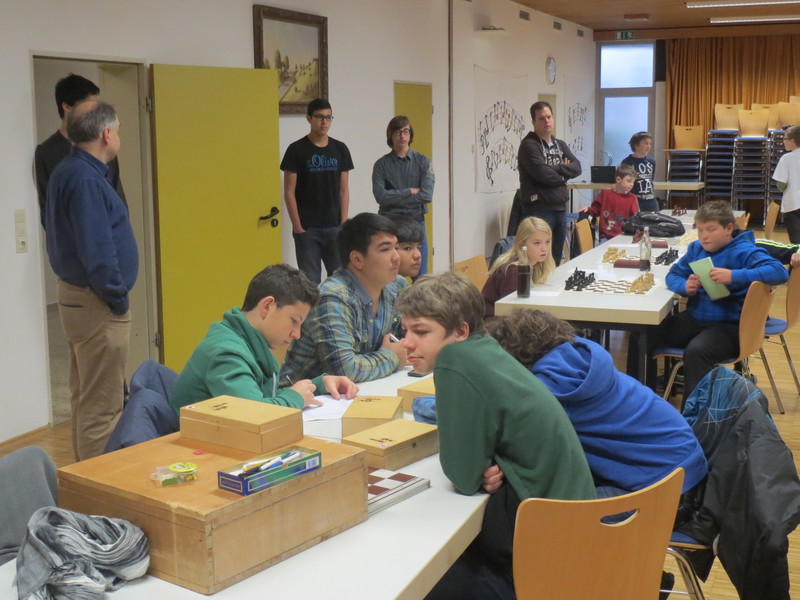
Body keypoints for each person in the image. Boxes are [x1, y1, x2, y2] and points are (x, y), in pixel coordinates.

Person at [396, 271, 594, 600]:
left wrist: (479, 467)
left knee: (422, 576)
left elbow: (463, 475)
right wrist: (486, 463)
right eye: (405, 330)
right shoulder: (486, 348)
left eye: (421, 331)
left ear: (460, 332)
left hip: (541, 551)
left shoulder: (454, 360)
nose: (407, 342)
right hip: (574, 532)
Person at [486, 309, 707, 497]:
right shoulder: (579, 356)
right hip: (687, 466)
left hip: (665, 490)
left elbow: (520, 450)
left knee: (542, 512)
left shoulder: (548, 391)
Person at [45, 100, 138, 461]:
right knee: (103, 407)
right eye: (119, 130)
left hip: (80, 297)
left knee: (88, 399)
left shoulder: (70, 170)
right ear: (106, 134)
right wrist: (117, 299)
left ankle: (82, 480)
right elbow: (97, 250)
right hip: (97, 302)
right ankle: (97, 490)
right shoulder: (85, 178)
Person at [170, 264, 358, 414]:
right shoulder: (226, 353)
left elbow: (264, 397)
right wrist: (295, 398)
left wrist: (317, 385)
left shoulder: (247, 341)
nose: (297, 334)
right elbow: (253, 414)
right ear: (267, 306)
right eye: (294, 321)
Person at [650, 200, 788, 399]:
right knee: (645, 335)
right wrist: (684, 286)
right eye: (700, 230)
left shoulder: (745, 250)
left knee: (697, 351)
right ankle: (643, 398)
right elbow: (673, 274)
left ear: (728, 229)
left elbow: (779, 272)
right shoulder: (696, 249)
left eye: (711, 229)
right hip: (695, 319)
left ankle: (696, 414)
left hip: (731, 326)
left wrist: (734, 276)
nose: (704, 236)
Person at [280, 213, 409, 384]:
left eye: (396, 247)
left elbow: (410, 343)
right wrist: (392, 356)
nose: (396, 257)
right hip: (310, 397)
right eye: (385, 249)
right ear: (357, 259)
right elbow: (344, 371)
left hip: (371, 388)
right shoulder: (332, 297)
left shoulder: (397, 286)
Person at [34, 73, 125, 230]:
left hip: (110, 234)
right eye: (89, 105)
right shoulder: (47, 153)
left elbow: (118, 197)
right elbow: (48, 211)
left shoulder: (105, 145)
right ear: (67, 107)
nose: (95, 113)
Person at [280, 98, 354, 284]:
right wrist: (298, 226)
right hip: (307, 229)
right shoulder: (296, 150)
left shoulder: (340, 149)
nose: (324, 122)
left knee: (340, 280)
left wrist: (343, 223)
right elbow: (289, 192)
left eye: (328, 117)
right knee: (310, 283)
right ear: (309, 118)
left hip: (334, 227)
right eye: (320, 117)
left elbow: (344, 190)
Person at [517, 100, 582, 266]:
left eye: (549, 117)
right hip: (539, 209)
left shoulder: (560, 144)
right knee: (538, 260)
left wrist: (556, 169)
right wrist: (564, 174)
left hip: (560, 208)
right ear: (533, 122)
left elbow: (577, 167)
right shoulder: (529, 145)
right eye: (541, 118)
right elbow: (543, 174)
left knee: (555, 258)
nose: (546, 121)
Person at [372, 115, 435, 278]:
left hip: (416, 222)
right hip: (390, 224)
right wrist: (408, 192)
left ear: (410, 135)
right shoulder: (381, 165)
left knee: (420, 275)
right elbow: (380, 196)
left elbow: (426, 195)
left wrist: (394, 197)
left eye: (405, 131)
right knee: (388, 273)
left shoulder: (423, 162)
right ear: (390, 135)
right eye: (397, 132)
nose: (402, 136)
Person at [481, 217, 555, 317]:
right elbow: (512, 312)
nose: (544, 248)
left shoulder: (535, 264)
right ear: (522, 245)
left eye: (547, 242)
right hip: (494, 321)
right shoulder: (514, 271)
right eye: (537, 243)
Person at [579, 163, 639, 240]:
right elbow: (596, 209)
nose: (631, 184)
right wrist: (588, 209)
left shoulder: (632, 198)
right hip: (606, 237)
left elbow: (634, 219)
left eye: (633, 182)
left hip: (624, 237)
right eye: (629, 181)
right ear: (618, 179)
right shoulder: (605, 194)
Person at [773, 125, 800, 244]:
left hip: (793, 204)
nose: (783, 141)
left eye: (785, 138)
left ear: (792, 141)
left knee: (796, 243)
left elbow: (781, 184)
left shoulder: (787, 158)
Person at [621, 131, 658, 212]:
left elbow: (651, 179)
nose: (648, 146)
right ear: (636, 144)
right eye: (646, 143)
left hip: (651, 201)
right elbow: (624, 184)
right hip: (635, 201)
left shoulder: (651, 161)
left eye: (650, 144)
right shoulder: (627, 162)